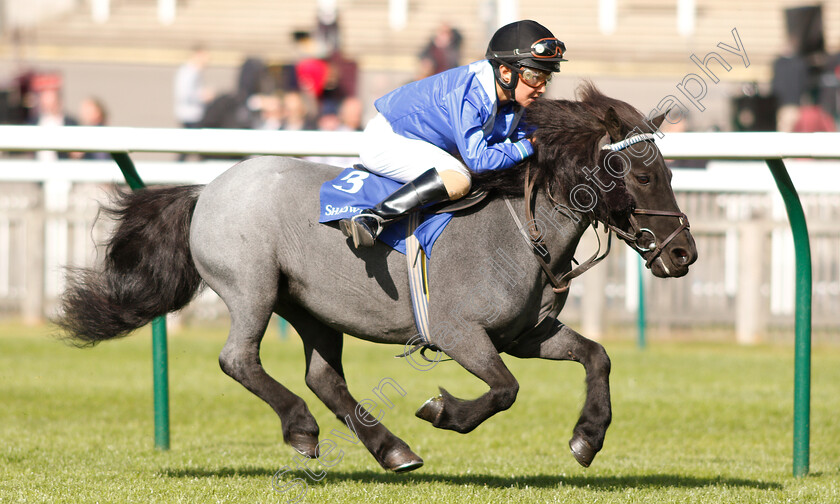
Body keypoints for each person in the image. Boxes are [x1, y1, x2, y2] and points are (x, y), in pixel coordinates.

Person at [340, 19, 566, 248]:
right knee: (460, 178)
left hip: (416, 140)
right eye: (534, 77)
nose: (542, 87)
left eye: (546, 77)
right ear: (506, 72)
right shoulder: (471, 93)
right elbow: (479, 161)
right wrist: (529, 145)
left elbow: (521, 136)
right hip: (389, 140)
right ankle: (374, 218)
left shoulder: (508, 95)